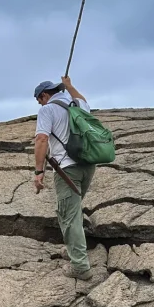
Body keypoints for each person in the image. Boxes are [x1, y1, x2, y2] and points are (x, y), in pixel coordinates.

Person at [33, 75, 95, 281]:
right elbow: (84, 100)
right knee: (73, 212)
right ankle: (74, 250)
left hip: (67, 169)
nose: (39, 104)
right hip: (88, 165)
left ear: (44, 95)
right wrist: (70, 87)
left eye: (38, 99)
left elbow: (42, 139)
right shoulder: (77, 103)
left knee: (69, 217)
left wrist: (38, 171)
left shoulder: (47, 110)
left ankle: (80, 268)